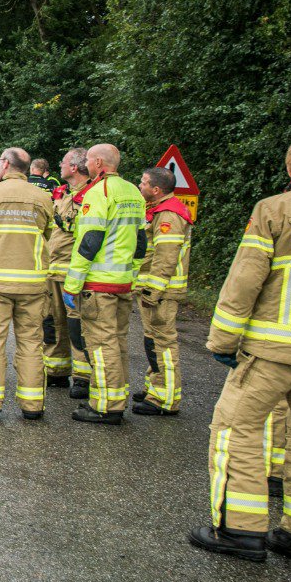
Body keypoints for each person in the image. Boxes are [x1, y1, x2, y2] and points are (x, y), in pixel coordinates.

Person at [191, 137, 291, 567]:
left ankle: (239, 530)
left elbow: (245, 279)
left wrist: (224, 340)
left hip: (273, 349)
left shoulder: (274, 210)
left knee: (235, 428)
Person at [0, 147, 56, 421]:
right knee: (32, 344)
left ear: (5, 164)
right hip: (33, 285)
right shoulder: (44, 197)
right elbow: (49, 233)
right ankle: (33, 406)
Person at [61, 142, 146, 424]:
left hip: (99, 285)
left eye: (88, 160)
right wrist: (132, 275)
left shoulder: (99, 192)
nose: (85, 164)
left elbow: (89, 242)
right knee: (118, 343)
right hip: (122, 283)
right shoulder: (133, 192)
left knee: (101, 345)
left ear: (98, 163)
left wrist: (72, 284)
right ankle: (115, 398)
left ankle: (106, 406)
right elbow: (141, 242)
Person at [133, 166, 193, 415]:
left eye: (144, 182)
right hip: (155, 288)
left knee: (163, 343)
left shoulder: (169, 214)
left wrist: (153, 291)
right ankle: (155, 387)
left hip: (162, 291)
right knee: (152, 340)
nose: (140, 185)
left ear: (156, 189)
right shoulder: (158, 210)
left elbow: (166, 256)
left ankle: (165, 399)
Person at [43, 148, 91, 391]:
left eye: (63, 162)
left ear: (74, 167)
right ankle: (56, 370)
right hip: (53, 269)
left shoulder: (91, 196)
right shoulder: (61, 193)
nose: (59, 165)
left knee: (77, 325)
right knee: (52, 322)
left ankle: (83, 377)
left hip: (75, 272)